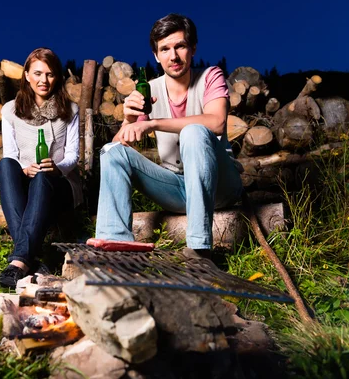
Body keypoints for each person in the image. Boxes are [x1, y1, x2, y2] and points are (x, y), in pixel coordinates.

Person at [95, 13, 243, 258]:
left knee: (194, 132)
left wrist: (152, 123)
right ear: (156, 55)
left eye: (180, 46)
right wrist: (129, 121)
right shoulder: (149, 89)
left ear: (193, 48)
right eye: (164, 49)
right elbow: (115, 150)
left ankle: (199, 249)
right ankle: (115, 247)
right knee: (111, 151)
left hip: (219, 186)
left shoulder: (210, 76)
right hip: (176, 189)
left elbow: (216, 122)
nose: (173, 56)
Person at [0, 47, 81, 288]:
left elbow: (73, 155)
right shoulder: (10, 111)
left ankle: (19, 261)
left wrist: (56, 167)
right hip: (27, 179)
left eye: (50, 74)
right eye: (38, 73)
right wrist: (24, 170)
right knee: (5, 165)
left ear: (57, 77)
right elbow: (12, 154)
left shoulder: (70, 110)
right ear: (27, 76)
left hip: (58, 184)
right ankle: (33, 258)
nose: (44, 80)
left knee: (43, 178)